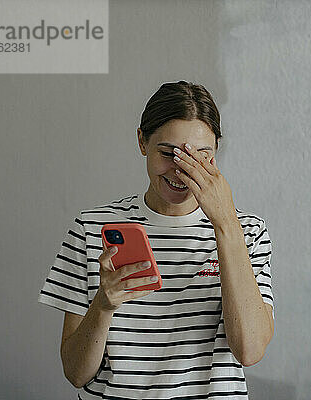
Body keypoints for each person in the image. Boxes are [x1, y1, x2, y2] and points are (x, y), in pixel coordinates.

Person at [37, 80, 275, 399]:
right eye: (168, 153)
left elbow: (250, 350)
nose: (180, 172)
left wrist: (226, 226)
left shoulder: (247, 230)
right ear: (142, 142)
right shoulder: (91, 227)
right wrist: (103, 305)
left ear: (216, 152)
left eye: (199, 157)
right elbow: (76, 373)